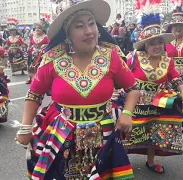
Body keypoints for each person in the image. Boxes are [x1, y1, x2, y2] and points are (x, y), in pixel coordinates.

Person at [15, 0, 140, 179]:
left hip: (103, 132)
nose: (89, 31)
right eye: (79, 26)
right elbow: (34, 95)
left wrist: (127, 113)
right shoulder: (52, 60)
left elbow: (133, 88)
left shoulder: (111, 56)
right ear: (67, 34)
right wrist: (25, 128)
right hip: (60, 134)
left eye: (91, 24)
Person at [123, 1, 183, 174]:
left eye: (160, 42)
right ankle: (121, 163)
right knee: (127, 133)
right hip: (135, 103)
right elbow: (121, 76)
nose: (157, 46)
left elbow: (175, 77)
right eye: (152, 43)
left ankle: (150, 161)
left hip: (157, 103)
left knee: (153, 133)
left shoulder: (168, 61)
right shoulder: (134, 58)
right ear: (145, 45)